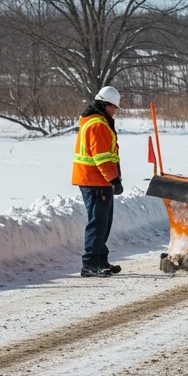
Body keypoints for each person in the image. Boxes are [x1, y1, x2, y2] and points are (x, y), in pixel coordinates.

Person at [72, 85, 124, 277]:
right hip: (95, 181)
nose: (115, 111)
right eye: (113, 107)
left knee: (103, 222)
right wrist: (114, 180)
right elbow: (101, 157)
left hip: (97, 180)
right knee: (98, 223)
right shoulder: (98, 125)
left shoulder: (97, 121)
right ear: (104, 105)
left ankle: (101, 260)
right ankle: (90, 264)